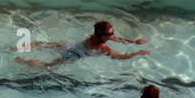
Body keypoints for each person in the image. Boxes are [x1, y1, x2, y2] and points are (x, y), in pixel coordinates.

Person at [17, 21, 149, 67]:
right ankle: (22, 61)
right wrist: (136, 53)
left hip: (72, 45)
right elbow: (119, 57)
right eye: (110, 34)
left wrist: (134, 42)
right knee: (48, 66)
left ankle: (20, 47)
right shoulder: (101, 47)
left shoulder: (95, 37)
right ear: (103, 36)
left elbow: (116, 39)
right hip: (73, 54)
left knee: (46, 44)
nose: (113, 35)